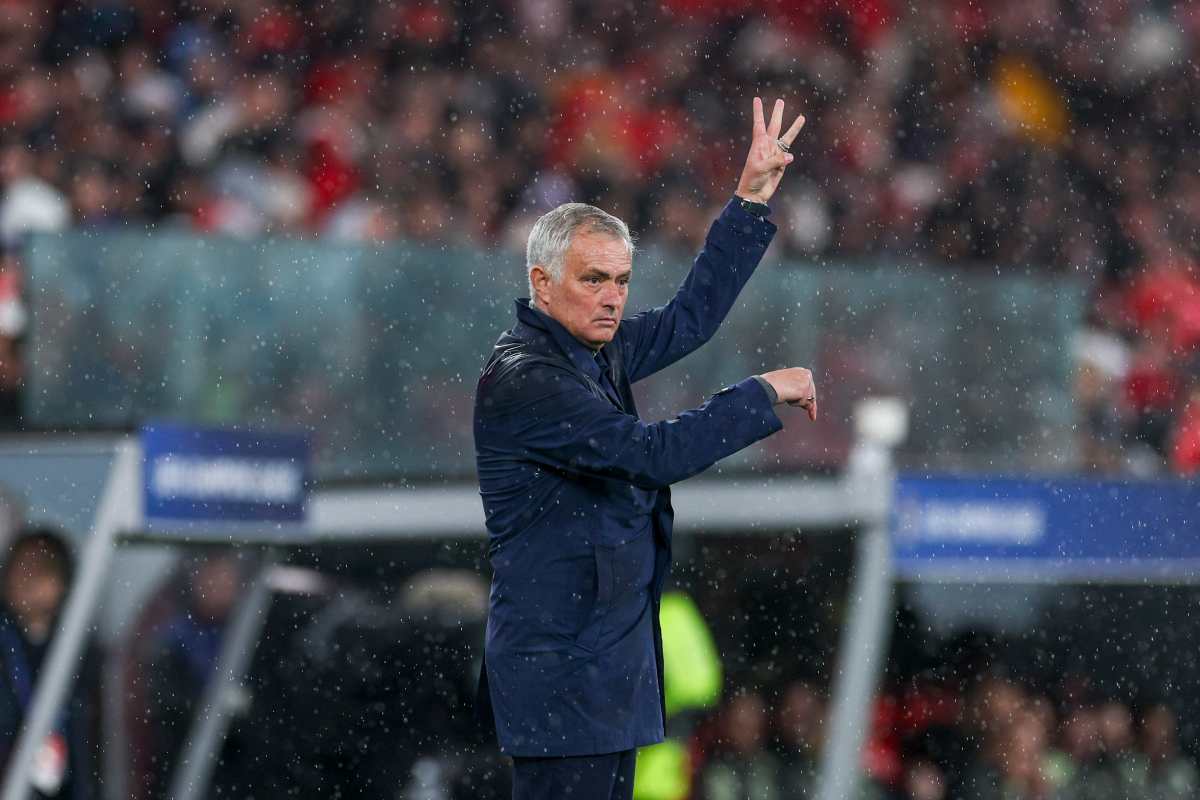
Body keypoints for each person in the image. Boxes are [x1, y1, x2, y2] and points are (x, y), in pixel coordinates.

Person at [473, 96, 817, 800]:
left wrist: (749, 201)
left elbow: (690, 320)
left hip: (601, 671)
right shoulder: (528, 379)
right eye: (593, 279)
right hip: (561, 677)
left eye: (622, 281)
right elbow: (652, 455)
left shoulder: (591, 351)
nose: (612, 298)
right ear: (541, 283)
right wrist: (758, 393)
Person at [0, 525, 96, 799]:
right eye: (20, 567)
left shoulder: (82, 652)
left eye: (42, 569)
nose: (27, 579)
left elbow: (92, 744)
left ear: (63, 583)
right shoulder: (6, 646)